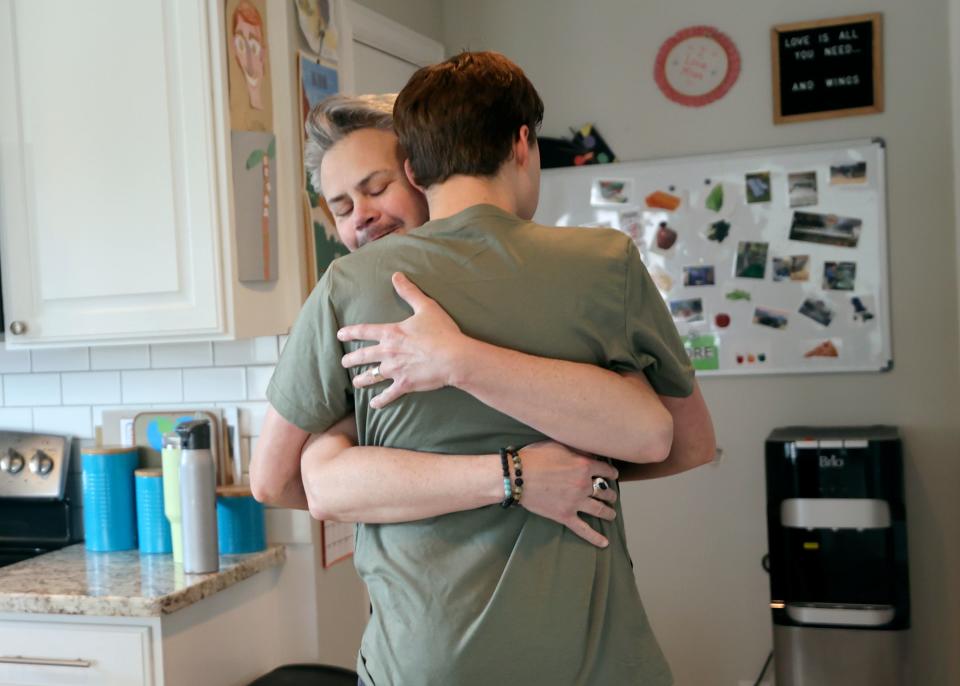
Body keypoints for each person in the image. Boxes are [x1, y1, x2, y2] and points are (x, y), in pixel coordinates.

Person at [254, 53, 715, 684]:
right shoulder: (599, 266)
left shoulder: (349, 290)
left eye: (375, 187)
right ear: (521, 145)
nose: (360, 215)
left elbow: (281, 481)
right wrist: (518, 475)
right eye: (340, 205)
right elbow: (684, 442)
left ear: (420, 170)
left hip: (432, 659)